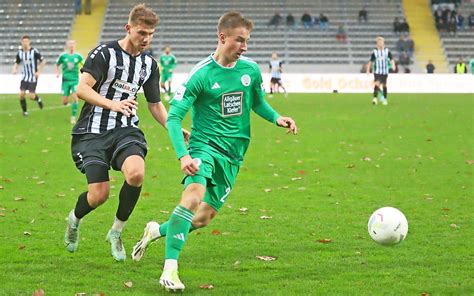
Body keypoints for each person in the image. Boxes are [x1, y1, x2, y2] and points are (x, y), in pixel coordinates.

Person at [131, 11, 297, 292]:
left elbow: (258, 103)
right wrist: (184, 155)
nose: (244, 47)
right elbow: (173, 118)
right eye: (240, 40)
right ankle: (170, 269)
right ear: (222, 37)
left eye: (247, 42)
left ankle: (156, 231)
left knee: (203, 217)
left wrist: (277, 118)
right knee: (193, 196)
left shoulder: (251, 70)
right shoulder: (201, 74)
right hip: (203, 147)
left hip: (234, 154)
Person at [63, 4, 188, 262]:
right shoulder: (104, 54)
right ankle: (74, 219)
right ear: (128, 28)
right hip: (93, 132)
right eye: (142, 33)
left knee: (136, 173)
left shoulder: (148, 64)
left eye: (151, 34)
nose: (146, 39)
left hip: (125, 130)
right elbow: (82, 89)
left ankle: (116, 232)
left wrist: (173, 127)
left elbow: (154, 104)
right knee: (99, 195)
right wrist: (113, 104)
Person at [12, 35, 45, 116]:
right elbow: (17, 62)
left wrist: (39, 72)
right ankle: (25, 112)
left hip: (33, 77)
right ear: (21, 42)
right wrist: (14, 69)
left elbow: (43, 61)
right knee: (21, 94)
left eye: (27, 41)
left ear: (29, 42)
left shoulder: (34, 51)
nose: (25, 43)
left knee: (31, 96)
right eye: (24, 41)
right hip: (24, 77)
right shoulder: (20, 52)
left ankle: (38, 99)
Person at [55, 40, 84, 124]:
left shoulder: (78, 56)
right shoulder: (63, 56)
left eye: (73, 44)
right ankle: (66, 102)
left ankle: (73, 117)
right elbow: (57, 64)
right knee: (64, 101)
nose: (71, 46)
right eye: (70, 44)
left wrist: (84, 71)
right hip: (65, 81)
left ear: (75, 45)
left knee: (75, 98)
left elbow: (84, 65)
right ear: (67, 46)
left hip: (75, 80)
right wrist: (57, 72)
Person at [366, 36, 396, 106]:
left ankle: (385, 99)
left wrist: (393, 65)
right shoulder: (375, 52)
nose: (380, 44)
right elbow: (370, 61)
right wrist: (368, 70)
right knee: (377, 84)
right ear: (377, 44)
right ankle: (375, 98)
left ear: (383, 43)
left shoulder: (387, 51)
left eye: (381, 42)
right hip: (377, 71)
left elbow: (391, 59)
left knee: (384, 85)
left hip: (385, 71)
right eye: (379, 42)